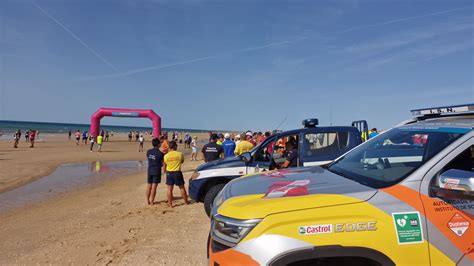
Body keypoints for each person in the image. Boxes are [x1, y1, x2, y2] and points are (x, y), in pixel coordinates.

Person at [163, 141, 189, 208]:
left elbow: (165, 165)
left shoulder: (166, 156)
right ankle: (186, 202)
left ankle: (170, 205)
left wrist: (164, 171)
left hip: (169, 172)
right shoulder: (179, 154)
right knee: (182, 188)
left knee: (169, 189)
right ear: (175, 146)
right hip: (177, 172)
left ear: (169, 147)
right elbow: (182, 161)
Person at [146, 138, 164, 205]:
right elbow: (162, 163)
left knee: (149, 185)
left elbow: (149, 159)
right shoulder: (160, 153)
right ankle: (152, 201)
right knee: (154, 186)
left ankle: (148, 200)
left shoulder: (148, 151)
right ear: (158, 144)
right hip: (156, 170)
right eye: (160, 143)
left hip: (150, 170)